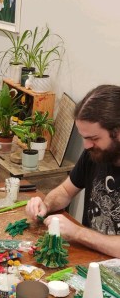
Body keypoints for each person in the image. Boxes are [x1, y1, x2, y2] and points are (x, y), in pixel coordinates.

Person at [26, 84, 120, 257]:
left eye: (94, 138)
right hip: (90, 259)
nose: (86, 145)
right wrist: (46, 205)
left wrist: (78, 233)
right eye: (84, 138)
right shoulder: (94, 154)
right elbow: (65, 191)